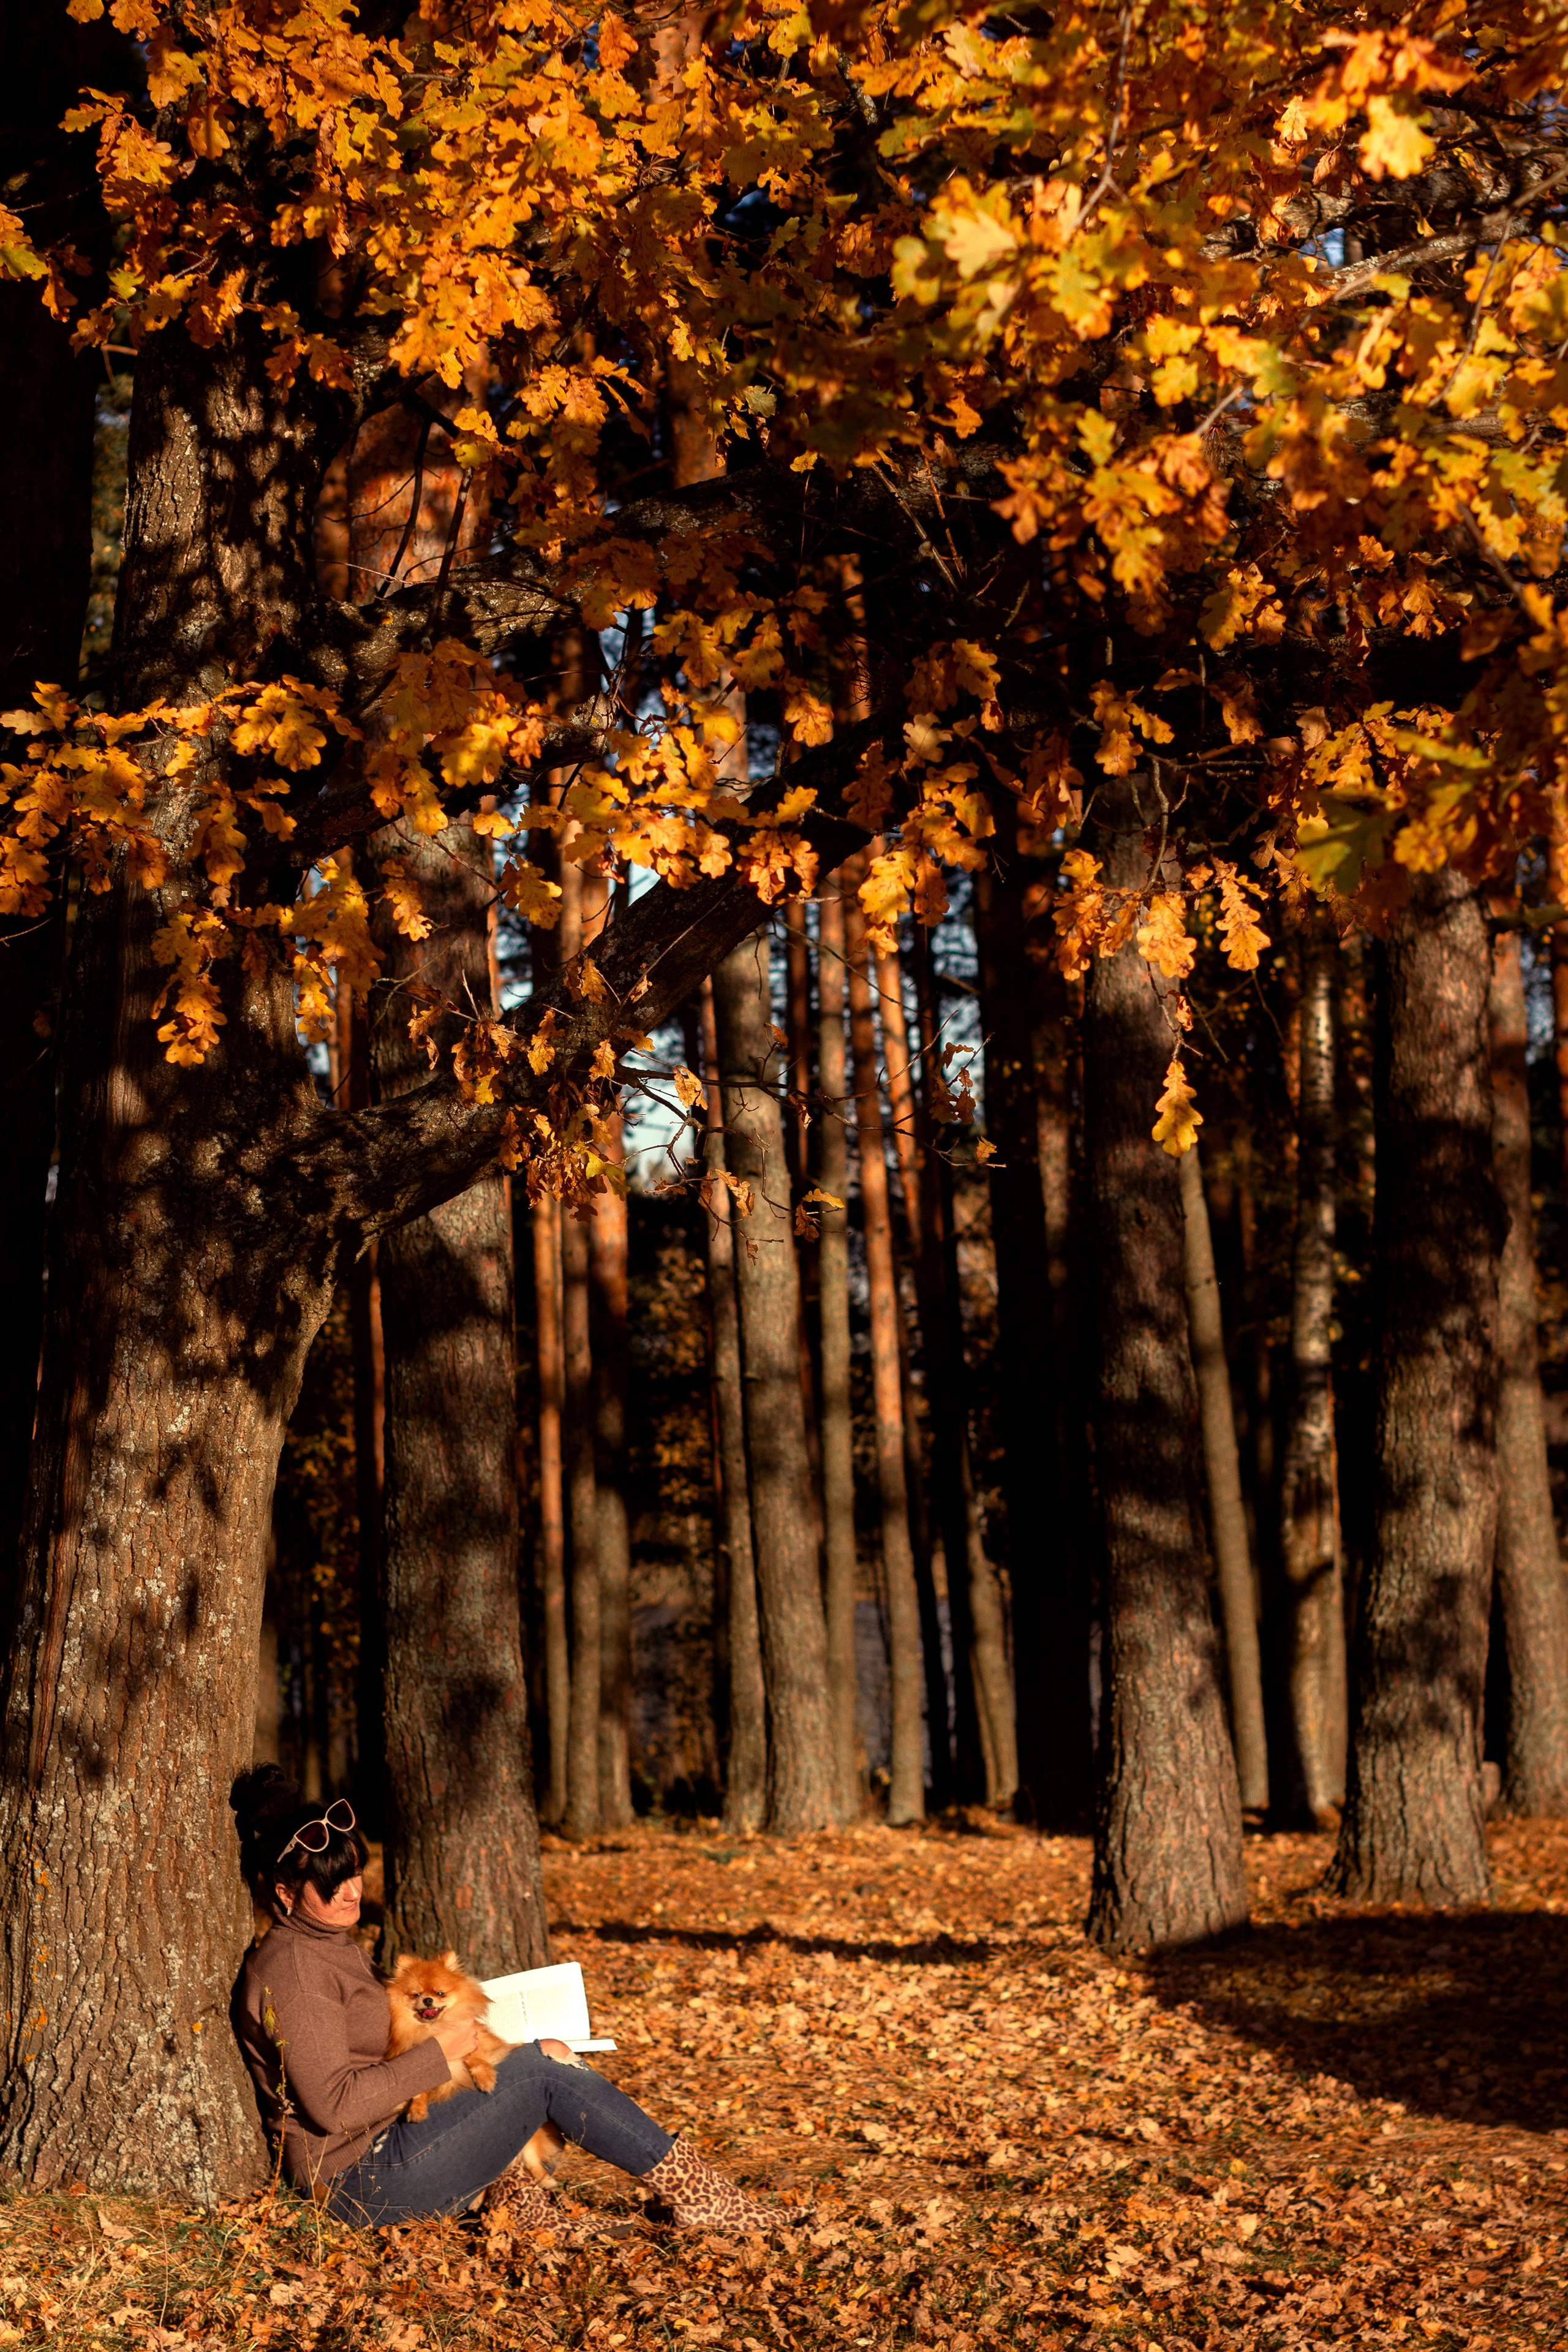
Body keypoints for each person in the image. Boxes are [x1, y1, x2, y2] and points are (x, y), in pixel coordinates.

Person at [228, 1769, 785, 2236]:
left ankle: (527, 2208)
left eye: (353, 1874)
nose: (352, 1892)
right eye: (332, 1885)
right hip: (362, 2181)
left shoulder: (328, 1943)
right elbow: (334, 2107)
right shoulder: (296, 1971)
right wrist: (441, 2050)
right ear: (284, 1894)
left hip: (390, 2140)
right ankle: (701, 2198)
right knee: (541, 2072)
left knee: (540, 2055)